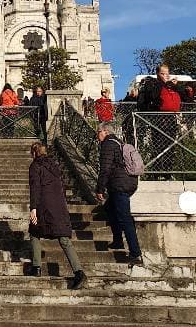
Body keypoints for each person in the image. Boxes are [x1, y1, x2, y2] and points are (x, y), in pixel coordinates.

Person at [28, 142, 86, 289]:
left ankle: (36, 267)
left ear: (34, 153)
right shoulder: (55, 165)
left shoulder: (35, 166)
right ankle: (78, 271)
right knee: (64, 238)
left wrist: (33, 208)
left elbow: (35, 188)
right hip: (59, 206)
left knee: (34, 231)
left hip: (44, 205)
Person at [95, 122, 142, 266]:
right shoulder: (119, 142)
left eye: (98, 133)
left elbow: (105, 168)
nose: (97, 137)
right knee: (109, 208)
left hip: (119, 184)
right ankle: (118, 240)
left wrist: (100, 189)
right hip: (129, 182)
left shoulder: (108, 144)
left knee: (125, 218)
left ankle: (135, 253)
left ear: (104, 131)